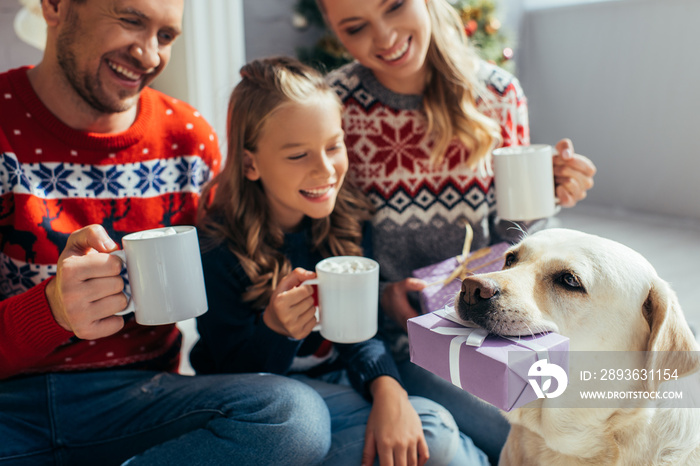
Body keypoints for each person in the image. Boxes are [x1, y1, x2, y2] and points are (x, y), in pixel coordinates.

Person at [0, 1, 332, 465]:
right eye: (131, 20)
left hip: (143, 400)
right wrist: (52, 307)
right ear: (55, 6)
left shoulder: (187, 139)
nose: (150, 55)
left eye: (167, 36)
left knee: (294, 417)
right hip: (10, 406)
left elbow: (225, 314)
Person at [316, 0, 598, 464]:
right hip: (410, 338)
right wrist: (386, 297)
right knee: (533, 435)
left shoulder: (498, 92)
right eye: (355, 27)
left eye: (395, 6)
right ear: (333, 28)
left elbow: (514, 237)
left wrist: (547, 195)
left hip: (501, 317)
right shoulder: (336, 104)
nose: (384, 36)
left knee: (617, 394)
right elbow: (333, 248)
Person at [190, 56, 489, 466]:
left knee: (479, 412)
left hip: (342, 376)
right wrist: (275, 330)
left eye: (333, 146)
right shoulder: (216, 248)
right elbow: (229, 375)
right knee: (432, 432)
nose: (326, 169)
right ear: (250, 164)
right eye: (298, 155)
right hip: (273, 410)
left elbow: (359, 334)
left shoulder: (347, 217)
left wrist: (388, 388)